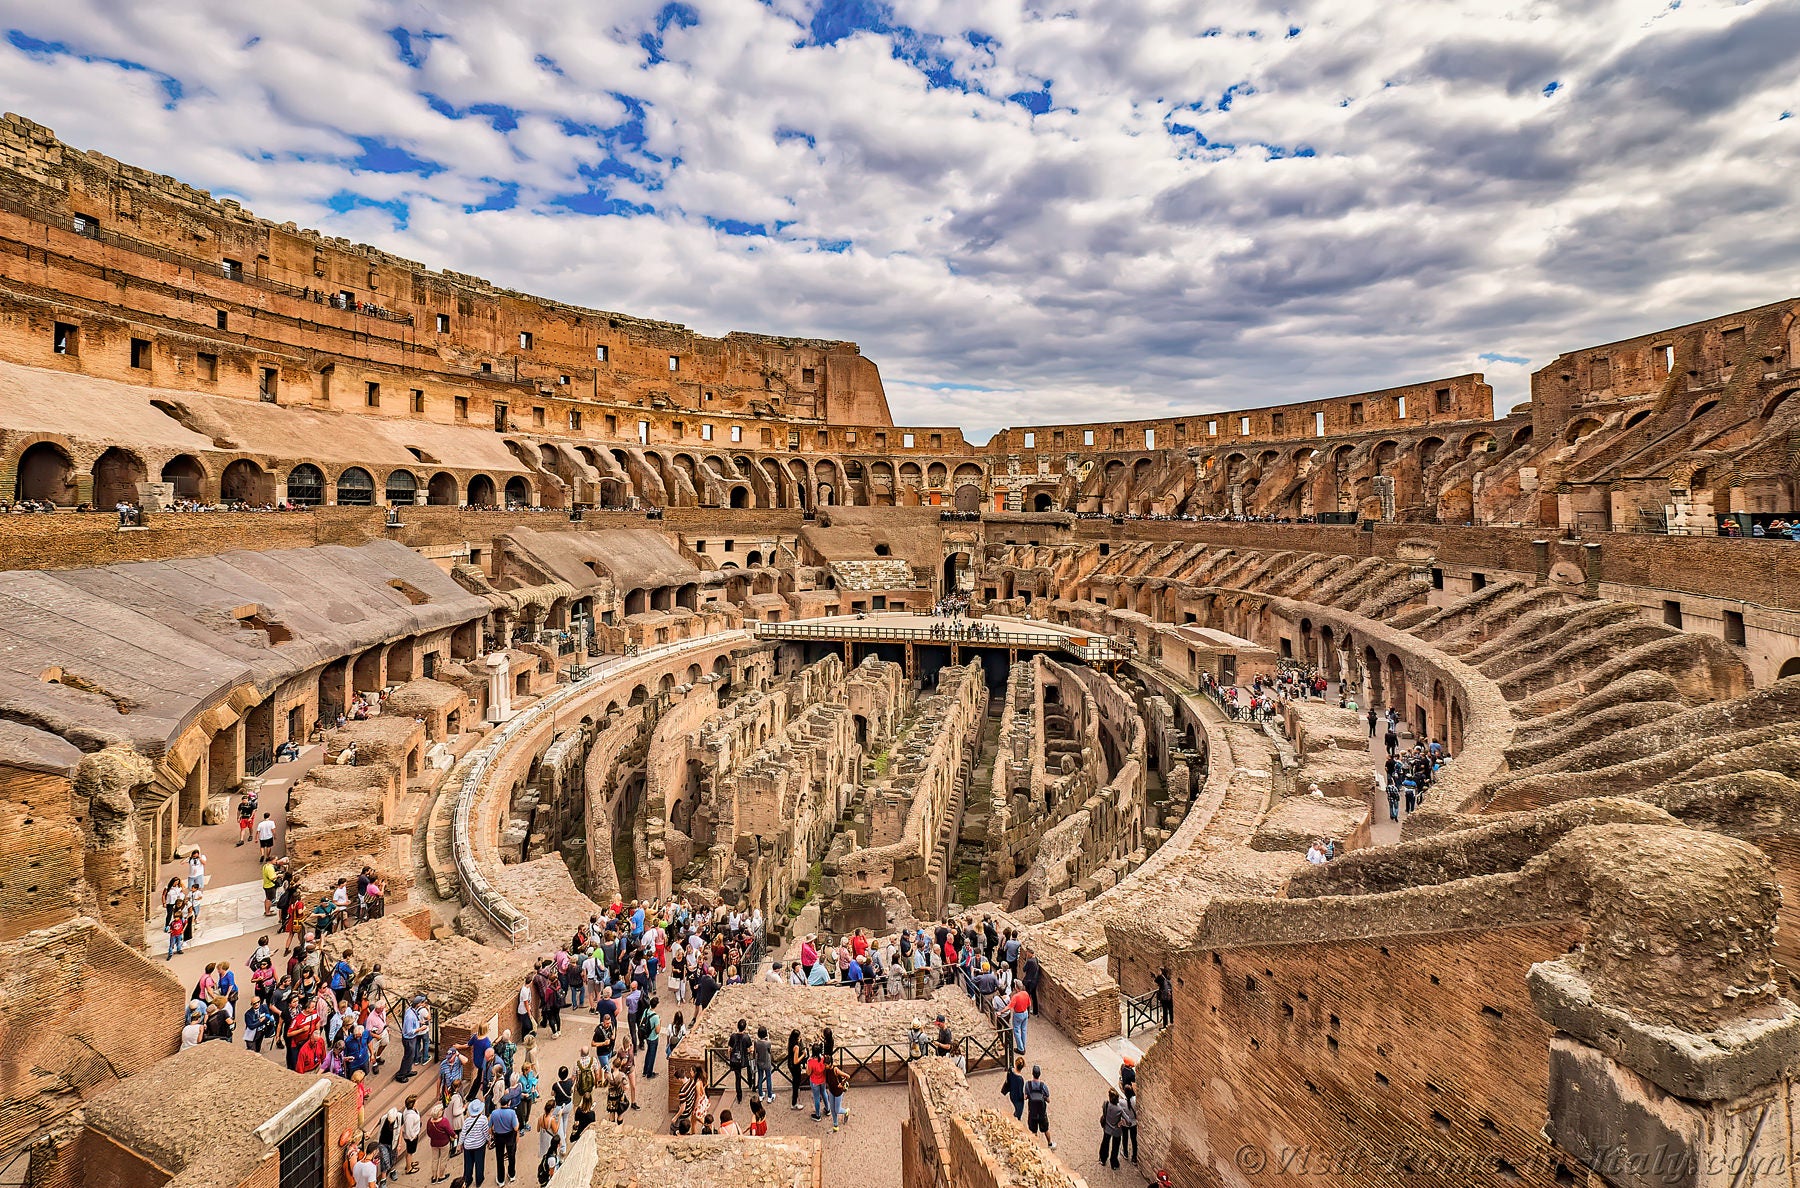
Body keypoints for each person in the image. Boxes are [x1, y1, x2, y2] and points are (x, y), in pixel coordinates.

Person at [459, 1098, 491, 1188]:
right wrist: (489, 1140)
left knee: (468, 1164)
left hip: (468, 1146)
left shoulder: (467, 1121)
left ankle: (467, 1180)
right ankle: (479, 1180)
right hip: (479, 1145)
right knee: (479, 1163)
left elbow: (463, 1134)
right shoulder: (483, 1119)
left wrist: (460, 1144)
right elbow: (486, 1133)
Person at [488, 1097, 518, 1186]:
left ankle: (501, 1179)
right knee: (511, 1155)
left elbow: (489, 1128)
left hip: (499, 1137)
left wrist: (492, 1135)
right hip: (510, 1136)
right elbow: (516, 1128)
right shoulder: (512, 1113)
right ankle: (511, 1174)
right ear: (508, 1103)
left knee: (499, 1158)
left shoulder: (494, 1113)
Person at [1025, 1065, 1054, 1149]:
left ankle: (1036, 1147)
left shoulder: (1028, 1085)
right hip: (1042, 1113)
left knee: (1033, 1131)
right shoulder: (1043, 1086)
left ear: (1032, 1074)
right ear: (1039, 1074)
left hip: (1032, 1113)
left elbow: (1026, 1097)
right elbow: (1048, 1100)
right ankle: (1050, 1144)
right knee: (1045, 1129)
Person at [426, 1105, 454, 1184]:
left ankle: (434, 1177)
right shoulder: (444, 1121)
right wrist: (454, 1136)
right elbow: (450, 1131)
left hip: (434, 1143)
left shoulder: (429, 1122)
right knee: (443, 1159)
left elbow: (428, 1133)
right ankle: (441, 1176)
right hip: (444, 1143)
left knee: (434, 1160)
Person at [1100, 1088, 1127, 1170]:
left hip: (1107, 1128)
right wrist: (1122, 1122)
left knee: (1105, 1143)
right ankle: (1113, 1163)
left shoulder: (1106, 1104)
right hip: (1116, 1130)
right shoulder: (1119, 1109)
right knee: (1115, 1147)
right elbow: (1128, 1120)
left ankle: (1103, 1159)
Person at [823, 1056, 848, 1132]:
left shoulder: (835, 1070)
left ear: (830, 1064)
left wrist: (841, 1083)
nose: (825, 1066)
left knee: (837, 1110)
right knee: (832, 1109)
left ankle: (846, 1111)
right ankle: (835, 1125)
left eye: (826, 1064)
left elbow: (847, 1076)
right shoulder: (826, 1070)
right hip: (831, 1091)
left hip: (838, 1092)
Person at [752, 1024, 774, 1103]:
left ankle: (761, 1095)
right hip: (767, 1062)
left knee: (760, 1078)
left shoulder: (756, 1042)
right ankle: (770, 1096)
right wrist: (767, 1038)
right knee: (768, 1078)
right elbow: (769, 1049)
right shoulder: (768, 1042)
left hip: (759, 1062)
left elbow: (755, 1052)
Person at [786, 1029, 806, 1111]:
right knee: (796, 1084)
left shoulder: (790, 1042)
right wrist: (803, 1055)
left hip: (790, 1064)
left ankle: (795, 1100)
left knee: (795, 1083)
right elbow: (796, 1061)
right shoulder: (796, 1047)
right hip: (795, 1067)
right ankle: (794, 1103)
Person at [1009, 984, 1032, 1055]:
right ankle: (1023, 1046)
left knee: (1016, 1030)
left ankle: (1021, 1049)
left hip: (1018, 1014)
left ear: (1016, 987)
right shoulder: (1025, 993)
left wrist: (1001, 1011)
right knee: (1024, 1030)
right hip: (1025, 1013)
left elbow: (1010, 1006)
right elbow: (1029, 1004)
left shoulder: (1015, 996)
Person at [806, 1044, 827, 1120]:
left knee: (817, 1098)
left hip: (815, 1081)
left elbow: (808, 1073)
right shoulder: (823, 1058)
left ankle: (818, 1115)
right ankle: (827, 1109)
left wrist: (806, 1066)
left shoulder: (811, 1062)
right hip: (823, 1080)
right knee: (824, 1093)